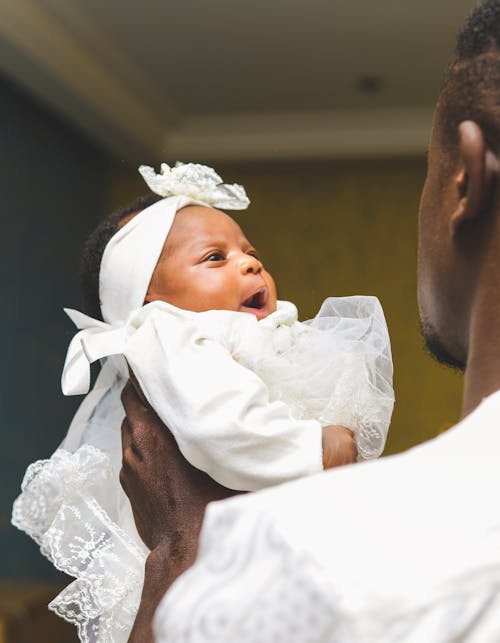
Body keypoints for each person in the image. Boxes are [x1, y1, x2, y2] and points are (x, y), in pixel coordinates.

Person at [119, 1, 500, 641]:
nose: (248, 269)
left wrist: (179, 552)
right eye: (215, 257)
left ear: (465, 181)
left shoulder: (304, 567)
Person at [12, 162, 393, 641]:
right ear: (149, 298)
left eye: (249, 253)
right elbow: (221, 427)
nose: (250, 264)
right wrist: (317, 448)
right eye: (215, 258)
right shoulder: (170, 336)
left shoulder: (232, 337)